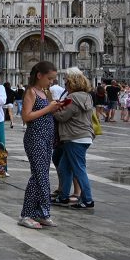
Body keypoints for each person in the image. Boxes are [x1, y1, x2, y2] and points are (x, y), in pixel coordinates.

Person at [19, 61, 62, 229]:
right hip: (35, 137)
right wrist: (47, 109)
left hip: (47, 137)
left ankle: (41, 213)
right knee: (38, 176)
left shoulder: (46, 92)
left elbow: (48, 112)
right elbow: (26, 117)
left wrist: (55, 108)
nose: (51, 82)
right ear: (39, 75)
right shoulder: (31, 92)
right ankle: (27, 214)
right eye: (49, 78)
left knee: (43, 175)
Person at [53, 68, 96, 209]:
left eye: (67, 83)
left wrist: (53, 110)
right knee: (64, 168)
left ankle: (88, 200)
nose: (65, 86)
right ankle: (63, 197)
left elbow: (63, 117)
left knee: (79, 169)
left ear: (72, 84)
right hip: (84, 136)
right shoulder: (87, 97)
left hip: (74, 137)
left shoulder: (73, 99)